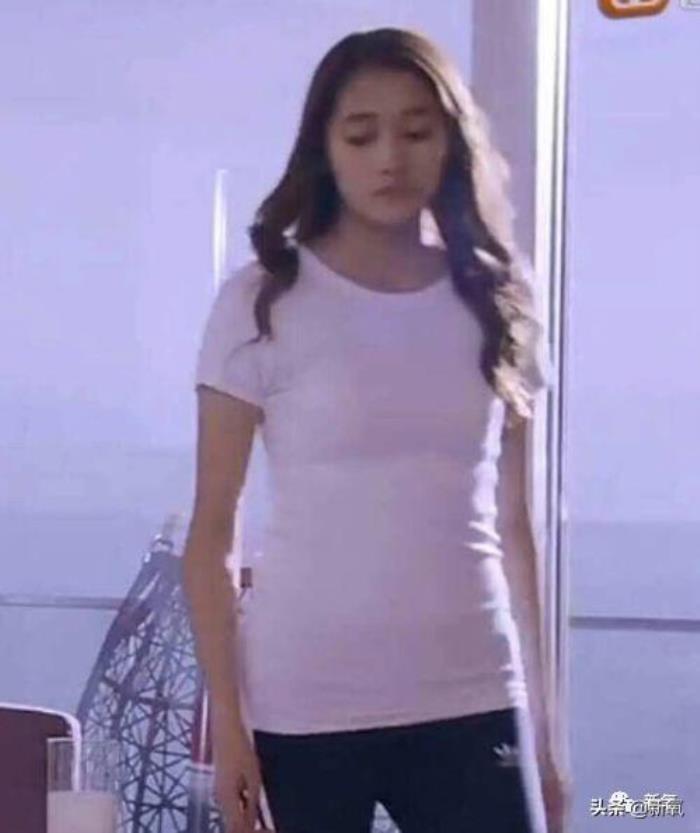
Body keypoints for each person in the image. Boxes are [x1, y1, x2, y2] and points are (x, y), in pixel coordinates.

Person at [183, 26, 572, 833]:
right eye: (361, 135)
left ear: (451, 141)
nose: (390, 157)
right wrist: (229, 732)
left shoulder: (497, 298)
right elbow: (212, 535)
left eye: (417, 130)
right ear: (324, 149)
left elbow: (517, 527)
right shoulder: (263, 300)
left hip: (473, 689)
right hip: (304, 699)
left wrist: (544, 730)